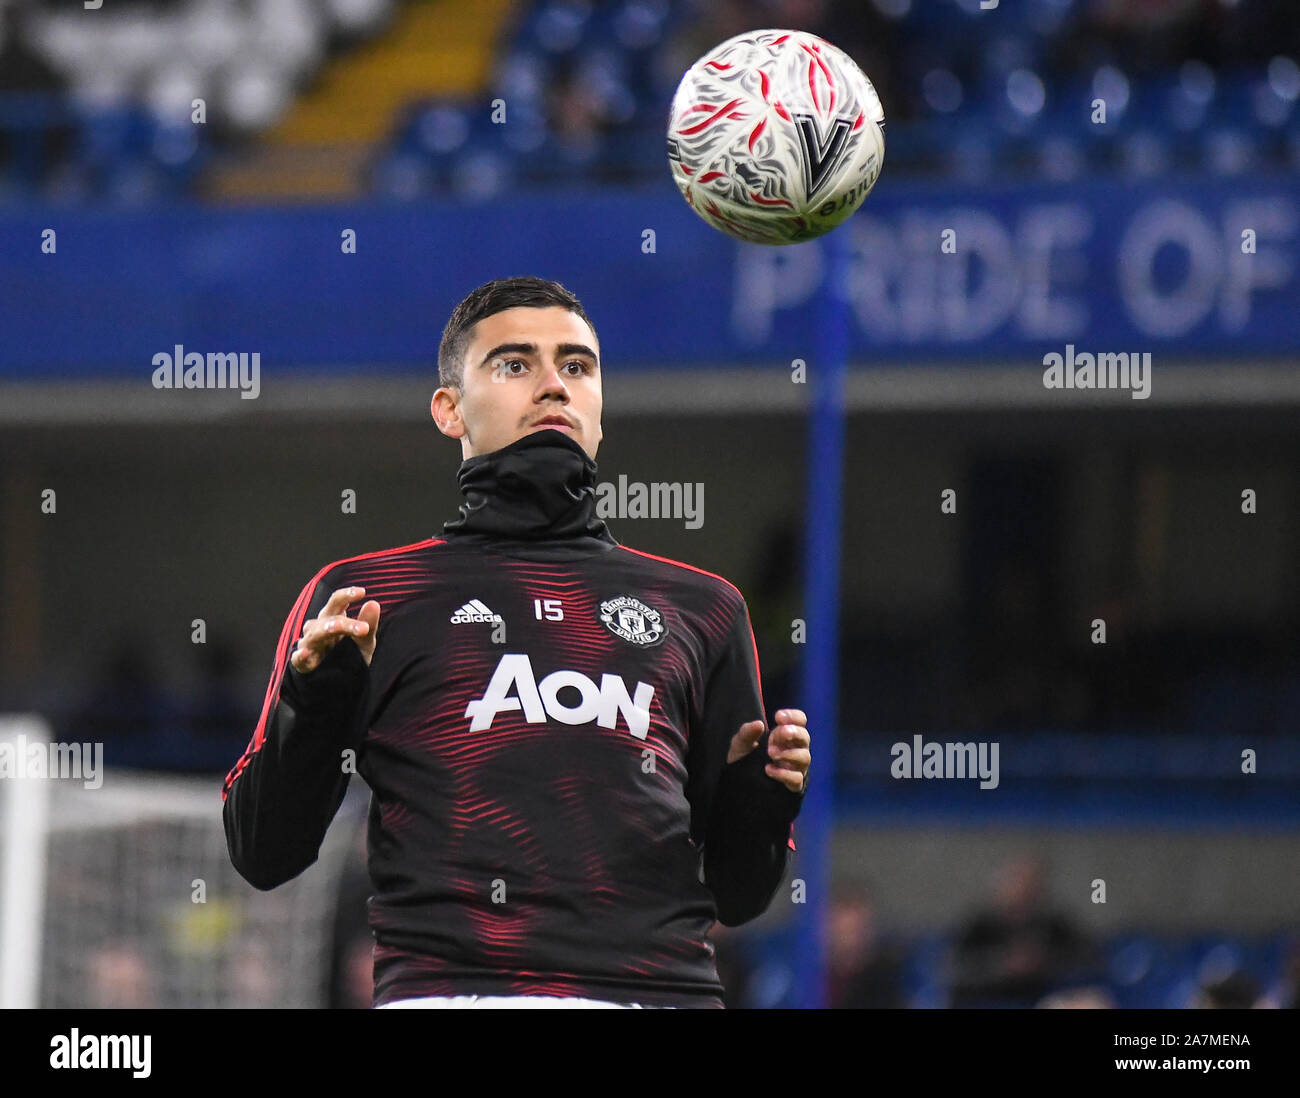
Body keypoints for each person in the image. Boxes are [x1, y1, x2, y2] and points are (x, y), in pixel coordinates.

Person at [222, 277, 811, 1008]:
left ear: (600, 408)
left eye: (577, 366)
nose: (554, 387)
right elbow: (263, 852)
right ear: (449, 409)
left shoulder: (703, 608)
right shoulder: (366, 599)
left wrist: (759, 804)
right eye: (514, 364)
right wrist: (313, 707)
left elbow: (740, 895)